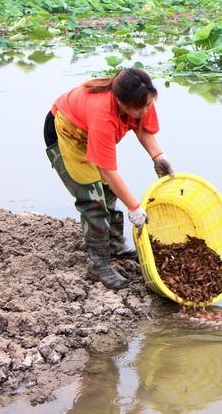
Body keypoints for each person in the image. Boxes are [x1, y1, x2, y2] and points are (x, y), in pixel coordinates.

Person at [43, 67, 173, 290]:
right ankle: (98, 265)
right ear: (122, 104)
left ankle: (115, 246)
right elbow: (107, 170)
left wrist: (157, 155)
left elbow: (141, 126)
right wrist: (134, 207)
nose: (146, 110)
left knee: (109, 191)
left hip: (90, 130)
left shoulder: (142, 97)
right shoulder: (103, 113)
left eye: (149, 104)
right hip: (67, 132)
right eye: (140, 107)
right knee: (92, 198)